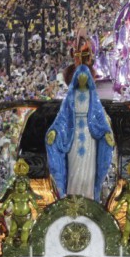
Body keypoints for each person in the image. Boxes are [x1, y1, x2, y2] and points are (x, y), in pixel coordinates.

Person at [46, 64, 115, 201]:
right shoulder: (70, 97)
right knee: (74, 170)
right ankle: (72, 198)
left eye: (85, 77)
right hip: (73, 136)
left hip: (90, 137)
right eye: (80, 77)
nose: (82, 80)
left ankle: (88, 199)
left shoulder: (93, 97)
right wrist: (55, 131)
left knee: (89, 171)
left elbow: (100, 117)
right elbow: (63, 118)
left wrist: (106, 132)